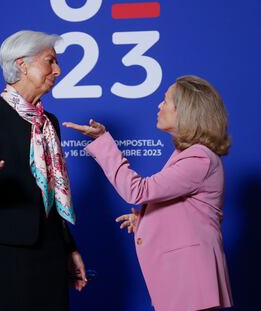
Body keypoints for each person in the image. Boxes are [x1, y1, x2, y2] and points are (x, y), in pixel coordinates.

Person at [63, 75, 233, 311]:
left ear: (186, 112)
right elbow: (190, 213)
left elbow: (137, 191)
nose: (159, 106)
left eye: (166, 101)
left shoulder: (198, 158)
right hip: (185, 279)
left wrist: (103, 141)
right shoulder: (188, 155)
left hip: (190, 278)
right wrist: (145, 220)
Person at [0, 30, 87, 311]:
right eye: (50, 61)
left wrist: (69, 247)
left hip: (50, 250)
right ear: (22, 64)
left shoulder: (49, 122)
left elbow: (51, 191)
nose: (58, 70)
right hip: (4, 253)